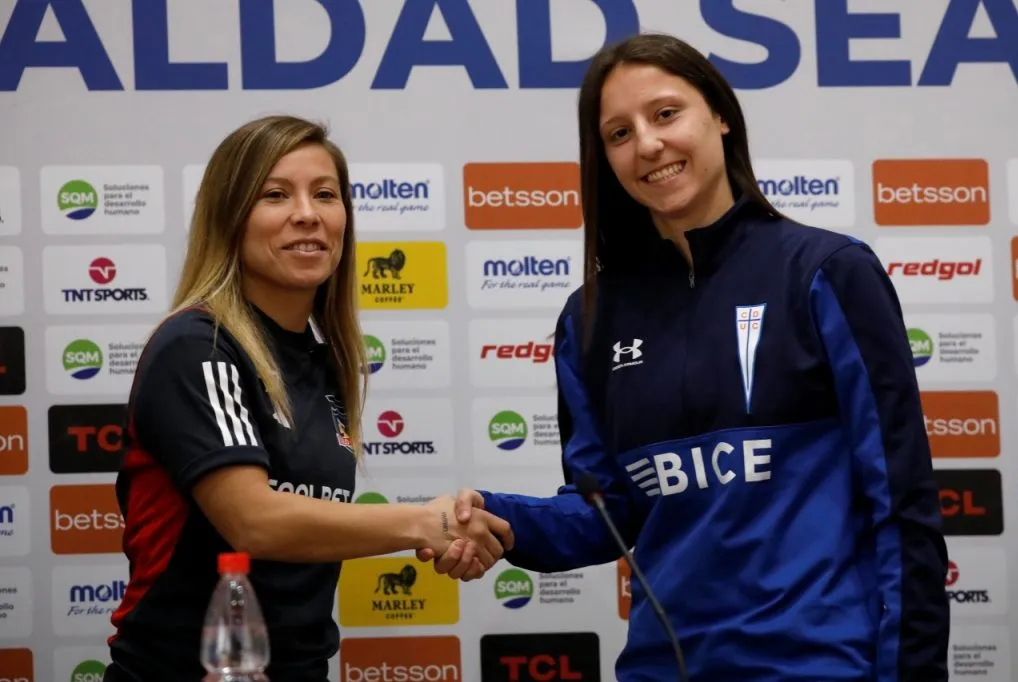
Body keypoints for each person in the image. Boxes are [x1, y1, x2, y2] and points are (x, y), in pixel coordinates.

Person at [418, 33, 950, 681]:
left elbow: (901, 503)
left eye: (666, 114)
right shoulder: (588, 318)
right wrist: (499, 520)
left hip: (822, 664)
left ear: (721, 116)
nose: (647, 145)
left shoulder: (827, 273)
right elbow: (603, 514)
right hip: (661, 667)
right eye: (618, 133)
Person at [102, 114, 512, 682]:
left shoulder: (323, 362)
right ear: (230, 218)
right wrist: (426, 524)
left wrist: (449, 527)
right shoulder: (197, 345)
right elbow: (254, 520)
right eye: (275, 195)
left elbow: (309, 527)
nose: (307, 214)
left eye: (325, 194)